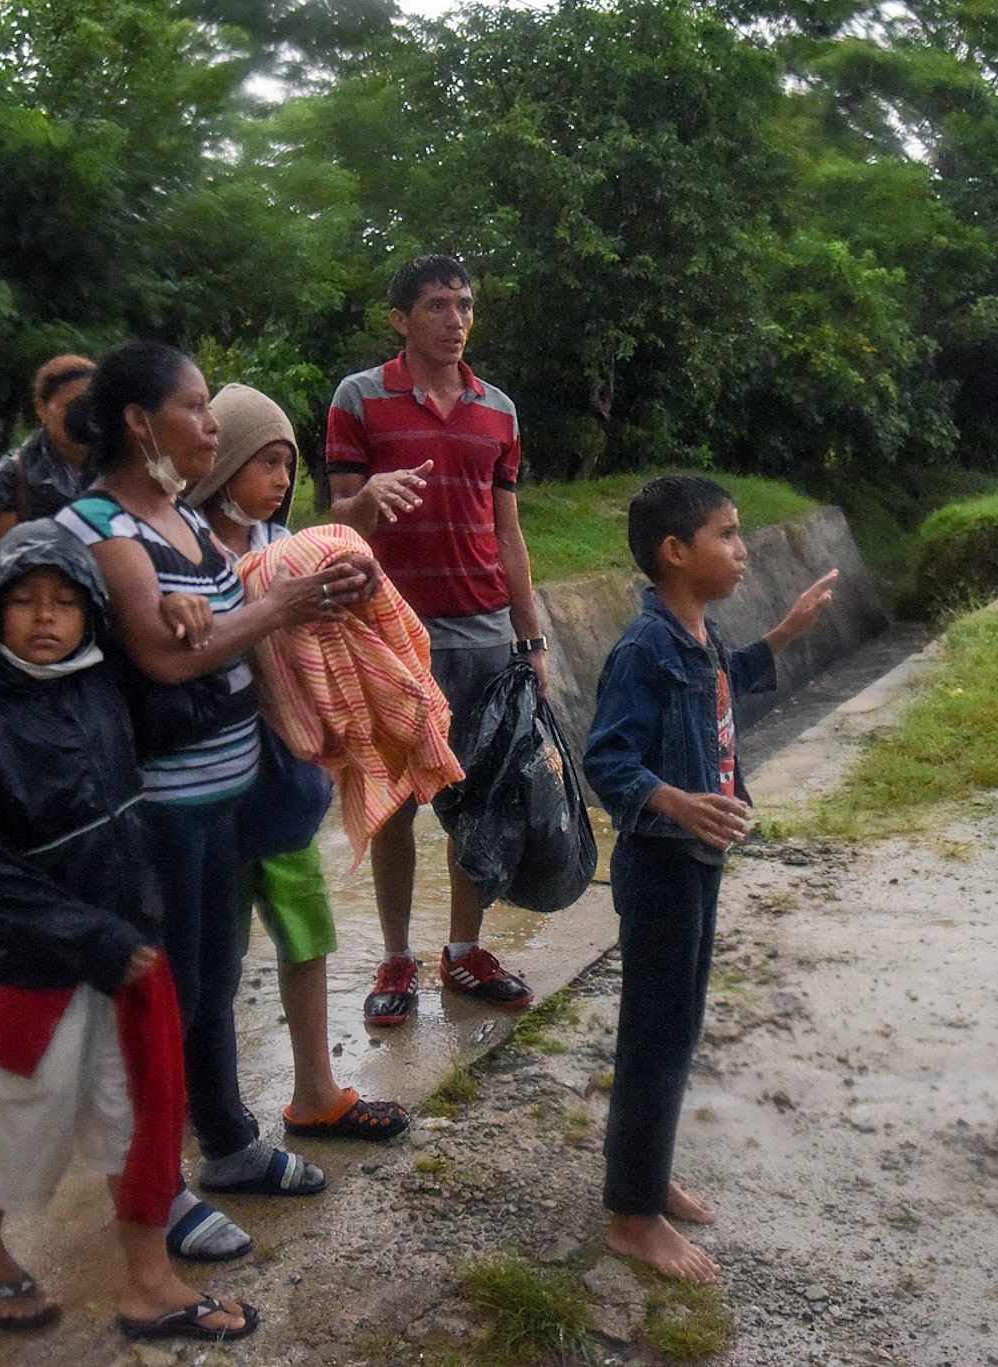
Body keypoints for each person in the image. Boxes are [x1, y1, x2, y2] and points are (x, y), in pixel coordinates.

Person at [56, 343, 375, 1203]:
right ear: (137, 421)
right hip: (160, 808)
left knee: (212, 982)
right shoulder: (100, 528)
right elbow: (164, 658)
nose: (209, 424)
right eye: (195, 408)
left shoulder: (183, 521)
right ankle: (153, 1188)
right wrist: (275, 604)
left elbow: (226, 617)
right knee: (171, 991)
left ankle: (227, 1142)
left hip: (220, 798)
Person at [0, 520, 253, 1343]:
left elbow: (186, 707)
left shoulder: (107, 689)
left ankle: (150, 1280)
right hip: (31, 974)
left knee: (133, 1113)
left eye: (66, 602)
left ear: (90, 616)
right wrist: (95, 939)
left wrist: (189, 618)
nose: (46, 618)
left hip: (120, 959)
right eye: (26, 602)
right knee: (19, 1118)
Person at [583, 475, 837, 1283]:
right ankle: (631, 1214)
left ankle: (647, 1177)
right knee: (655, 1037)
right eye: (728, 534)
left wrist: (791, 629)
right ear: (675, 552)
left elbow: (733, 673)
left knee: (679, 1026)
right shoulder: (644, 648)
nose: (743, 547)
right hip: (659, 862)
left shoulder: (700, 632)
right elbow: (607, 759)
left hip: (697, 861)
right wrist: (676, 803)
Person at [180, 381, 410, 1140]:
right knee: (210, 959)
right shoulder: (179, 547)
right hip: (207, 791)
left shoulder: (289, 550)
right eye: (266, 462)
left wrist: (352, 588)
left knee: (305, 934)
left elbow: (327, 635)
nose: (282, 480)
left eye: (287, 464)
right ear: (222, 467)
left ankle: (317, 1089)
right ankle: (198, 1104)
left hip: (284, 785)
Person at [325, 253, 548, 1025]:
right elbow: (335, 518)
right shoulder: (359, 398)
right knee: (392, 802)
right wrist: (366, 500)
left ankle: (462, 950)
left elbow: (509, 531)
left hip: (486, 633)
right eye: (436, 306)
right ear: (400, 319)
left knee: (478, 801)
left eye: (464, 305)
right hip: (390, 634)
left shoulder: (501, 412)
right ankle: (395, 954)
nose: (455, 319)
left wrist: (532, 635)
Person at [0, 355, 96, 545]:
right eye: (71, 406)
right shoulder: (11, 478)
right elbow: (5, 561)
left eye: (89, 405)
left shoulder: (119, 466)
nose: (80, 415)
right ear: (41, 408)